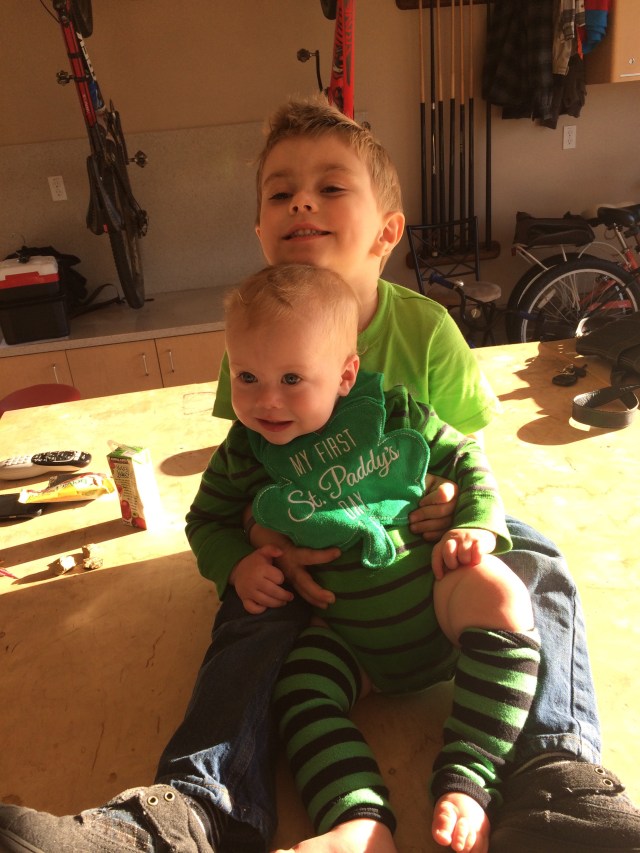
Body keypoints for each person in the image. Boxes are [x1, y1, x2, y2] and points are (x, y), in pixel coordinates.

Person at [0, 96, 638, 853]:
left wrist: (458, 506)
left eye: (331, 187)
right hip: (324, 577)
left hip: (423, 554)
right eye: (280, 193)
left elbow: (465, 453)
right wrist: (256, 543)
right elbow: (240, 480)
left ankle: (555, 773)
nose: (302, 201)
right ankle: (194, 806)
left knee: (533, 557)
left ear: (387, 233)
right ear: (261, 232)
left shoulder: (427, 330)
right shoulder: (253, 344)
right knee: (250, 608)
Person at [202, 262, 540, 853]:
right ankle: (356, 821)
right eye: (247, 376)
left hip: (438, 601)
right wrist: (237, 562)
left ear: (345, 375)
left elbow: (466, 457)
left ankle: (469, 777)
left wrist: (476, 523)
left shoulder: (395, 410)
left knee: (504, 596)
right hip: (348, 643)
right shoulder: (242, 452)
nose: (266, 401)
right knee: (294, 694)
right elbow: (205, 520)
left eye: (291, 378)